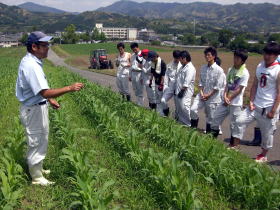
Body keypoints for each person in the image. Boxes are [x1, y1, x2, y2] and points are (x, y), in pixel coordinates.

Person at [16, 31, 84, 186]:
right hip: (33, 110)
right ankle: (36, 177)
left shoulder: (33, 61)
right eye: (44, 45)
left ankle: (38, 167)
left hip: (36, 106)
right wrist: (69, 87)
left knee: (41, 139)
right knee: (36, 140)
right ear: (34, 46)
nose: (48, 48)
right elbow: (44, 91)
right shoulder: (31, 66)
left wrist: (50, 99)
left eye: (48, 44)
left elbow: (39, 91)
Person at [234, 42, 280, 163]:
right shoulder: (260, 65)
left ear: (276, 55)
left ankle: (263, 155)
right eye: (265, 53)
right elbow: (254, 84)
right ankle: (235, 146)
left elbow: (279, 93)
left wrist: (273, 111)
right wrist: (251, 101)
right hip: (255, 105)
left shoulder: (278, 70)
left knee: (267, 133)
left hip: (268, 107)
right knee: (239, 121)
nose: (267, 56)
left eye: (270, 54)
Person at [211, 49, 250, 149]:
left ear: (242, 60)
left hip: (235, 103)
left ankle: (233, 145)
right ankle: (211, 140)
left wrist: (229, 98)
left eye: (238, 58)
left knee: (234, 125)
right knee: (215, 118)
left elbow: (239, 90)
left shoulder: (245, 73)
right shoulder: (230, 70)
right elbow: (227, 85)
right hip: (225, 100)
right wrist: (224, 96)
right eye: (235, 57)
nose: (235, 59)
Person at [190, 47, 225, 133]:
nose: (206, 56)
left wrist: (208, 95)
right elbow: (201, 82)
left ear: (214, 56)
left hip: (213, 97)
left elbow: (217, 87)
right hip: (202, 94)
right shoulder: (203, 68)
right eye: (205, 55)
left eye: (208, 55)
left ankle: (209, 136)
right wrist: (202, 93)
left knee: (211, 117)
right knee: (193, 109)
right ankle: (193, 128)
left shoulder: (219, 70)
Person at [174, 50, 196, 126]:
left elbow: (187, 81)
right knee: (180, 108)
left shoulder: (190, 68)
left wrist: (182, 91)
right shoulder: (182, 67)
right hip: (178, 91)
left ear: (184, 58)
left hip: (185, 92)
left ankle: (188, 124)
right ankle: (181, 122)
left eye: (180, 59)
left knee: (184, 107)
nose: (179, 60)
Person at [148, 51, 168, 116]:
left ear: (155, 57)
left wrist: (161, 84)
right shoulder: (153, 63)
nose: (150, 60)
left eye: (151, 58)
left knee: (161, 98)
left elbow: (163, 74)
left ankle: (164, 112)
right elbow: (152, 72)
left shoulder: (162, 63)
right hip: (156, 82)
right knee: (157, 97)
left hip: (161, 83)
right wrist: (151, 80)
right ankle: (159, 112)